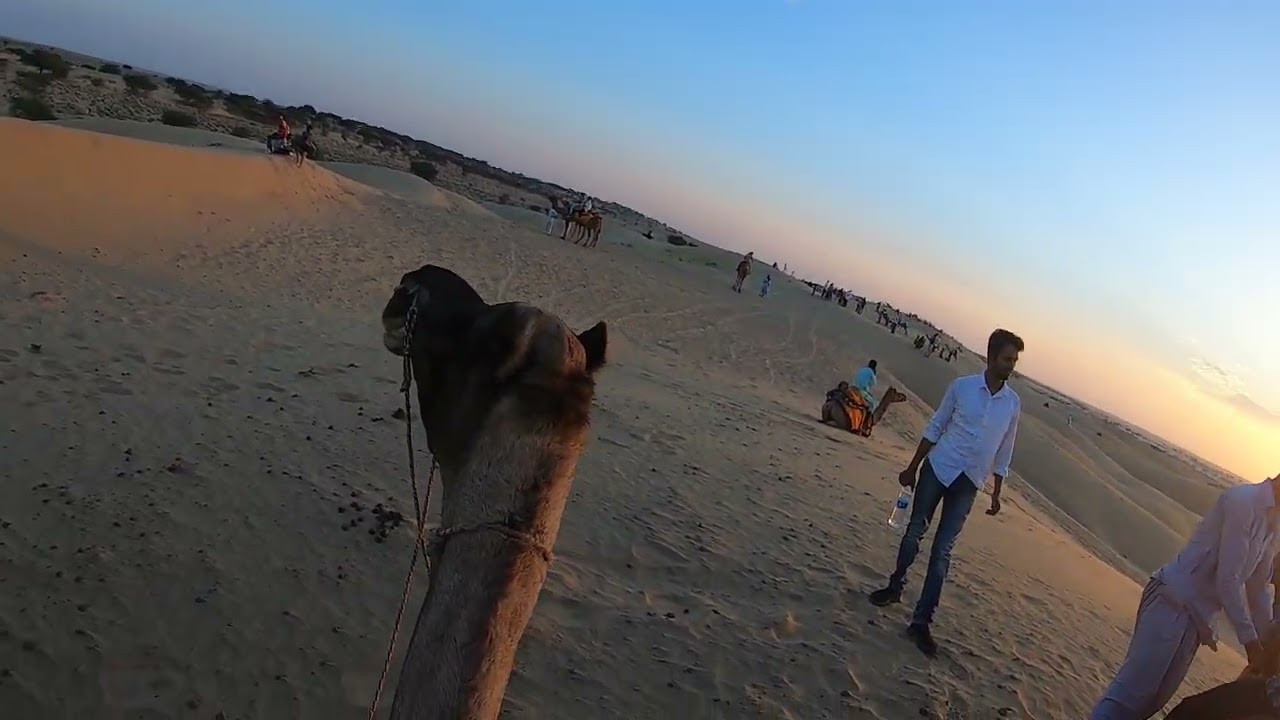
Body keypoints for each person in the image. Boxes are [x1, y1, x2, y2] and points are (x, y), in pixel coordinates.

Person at [868, 328, 1024, 656]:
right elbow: (936, 426)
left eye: (1015, 360)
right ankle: (895, 586)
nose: (1012, 366)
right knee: (914, 534)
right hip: (938, 468)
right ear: (991, 356)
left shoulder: (1012, 404)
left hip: (969, 482)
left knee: (942, 552)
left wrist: (997, 492)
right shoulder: (962, 387)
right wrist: (912, 467)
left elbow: (1005, 449)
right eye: (1007, 359)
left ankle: (921, 622)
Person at [1089, 477, 1280, 719]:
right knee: (1128, 697)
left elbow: (1258, 588)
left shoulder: (1273, 521)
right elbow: (1228, 579)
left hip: (1199, 619)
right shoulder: (1243, 501)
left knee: (1150, 703)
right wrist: (1252, 644)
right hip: (1173, 601)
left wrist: (1268, 640)